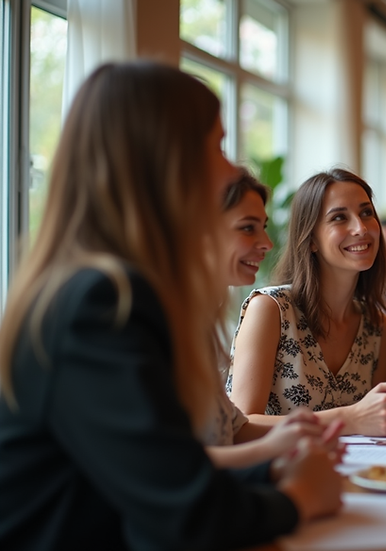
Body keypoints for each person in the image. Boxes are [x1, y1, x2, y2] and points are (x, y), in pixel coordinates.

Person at [0, 61, 341, 550]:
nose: (229, 171)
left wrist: (272, 467)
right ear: (167, 161)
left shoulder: (93, 288)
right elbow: (187, 518)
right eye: (218, 146)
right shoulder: (102, 304)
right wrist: (301, 498)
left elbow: (160, 473)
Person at [229, 169, 386, 436]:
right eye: (339, 218)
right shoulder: (271, 309)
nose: (361, 228)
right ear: (311, 240)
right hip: (271, 474)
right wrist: (350, 418)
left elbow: (371, 428)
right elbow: (240, 425)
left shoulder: (377, 327)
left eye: (367, 213)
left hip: (349, 472)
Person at [206, 170, 331, 469]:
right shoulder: (159, 320)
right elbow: (160, 460)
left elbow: (235, 427)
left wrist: (303, 432)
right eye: (248, 228)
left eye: (262, 227)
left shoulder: (200, 322)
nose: (267, 243)